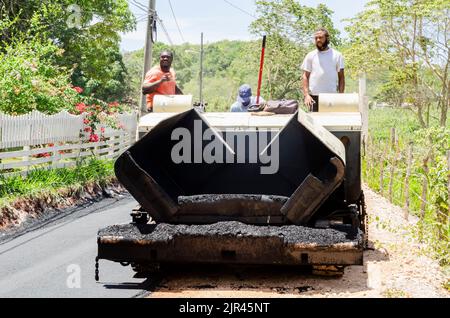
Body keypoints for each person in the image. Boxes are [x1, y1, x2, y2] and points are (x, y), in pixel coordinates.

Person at [301, 28, 345, 112]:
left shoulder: (337, 55)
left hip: (332, 97)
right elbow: (305, 76)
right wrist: (306, 95)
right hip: (313, 97)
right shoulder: (310, 55)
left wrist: (341, 96)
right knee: (314, 124)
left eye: (320, 37)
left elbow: (341, 77)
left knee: (330, 123)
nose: (318, 40)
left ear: (327, 39)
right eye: (316, 38)